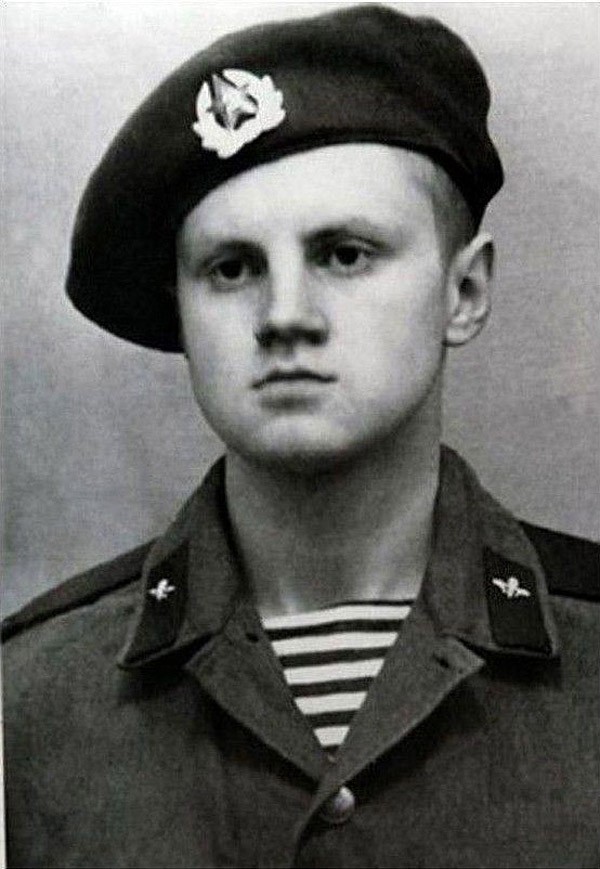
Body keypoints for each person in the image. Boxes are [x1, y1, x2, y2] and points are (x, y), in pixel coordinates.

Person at [2, 4, 598, 867]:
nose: (284, 315)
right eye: (231, 268)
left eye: (344, 254)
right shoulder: (28, 703)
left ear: (463, 293)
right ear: (183, 313)